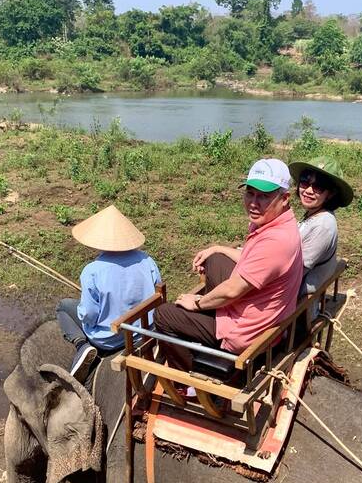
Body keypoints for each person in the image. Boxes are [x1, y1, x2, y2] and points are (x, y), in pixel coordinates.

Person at [153, 158, 303, 372]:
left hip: (245, 332)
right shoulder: (279, 222)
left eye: (264, 196)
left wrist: (197, 303)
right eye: (250, 193)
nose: (253, 202)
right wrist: (218, 248)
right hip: (257, 310)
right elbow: (252, 261)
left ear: (285, 198)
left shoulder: (276, 241)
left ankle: (188, 379)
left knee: (163, 315)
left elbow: (233, 291)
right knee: (215, 260)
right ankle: (208, 317)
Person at [56, 204, 161, 380]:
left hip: (110, 339)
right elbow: (157, 294)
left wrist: (82, 309)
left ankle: (82, 345)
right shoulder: (147, 261)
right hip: (145, 330)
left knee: (64, 306)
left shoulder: (92, 271)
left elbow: (89, 314)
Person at [287, 157, 353, 294]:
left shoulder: (323, 225)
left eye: (319, 186)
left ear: (331, 193)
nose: (309, 190)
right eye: (305, 182)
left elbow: (294, 272)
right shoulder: (314, 215)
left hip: (295, 295)